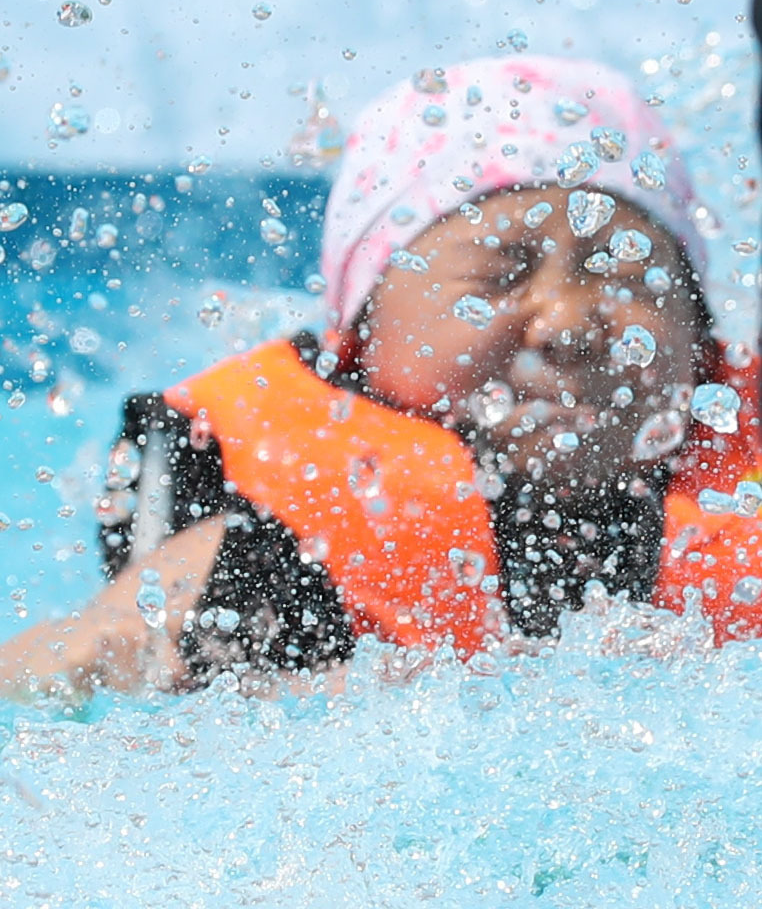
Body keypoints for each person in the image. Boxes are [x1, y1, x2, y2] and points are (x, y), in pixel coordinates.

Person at [1, 54, 760, 699]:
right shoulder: (268, 551)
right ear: (360, 328)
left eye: (625, 276)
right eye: (504, 273)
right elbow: (66, 670)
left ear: (698, 337)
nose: (566, 324)